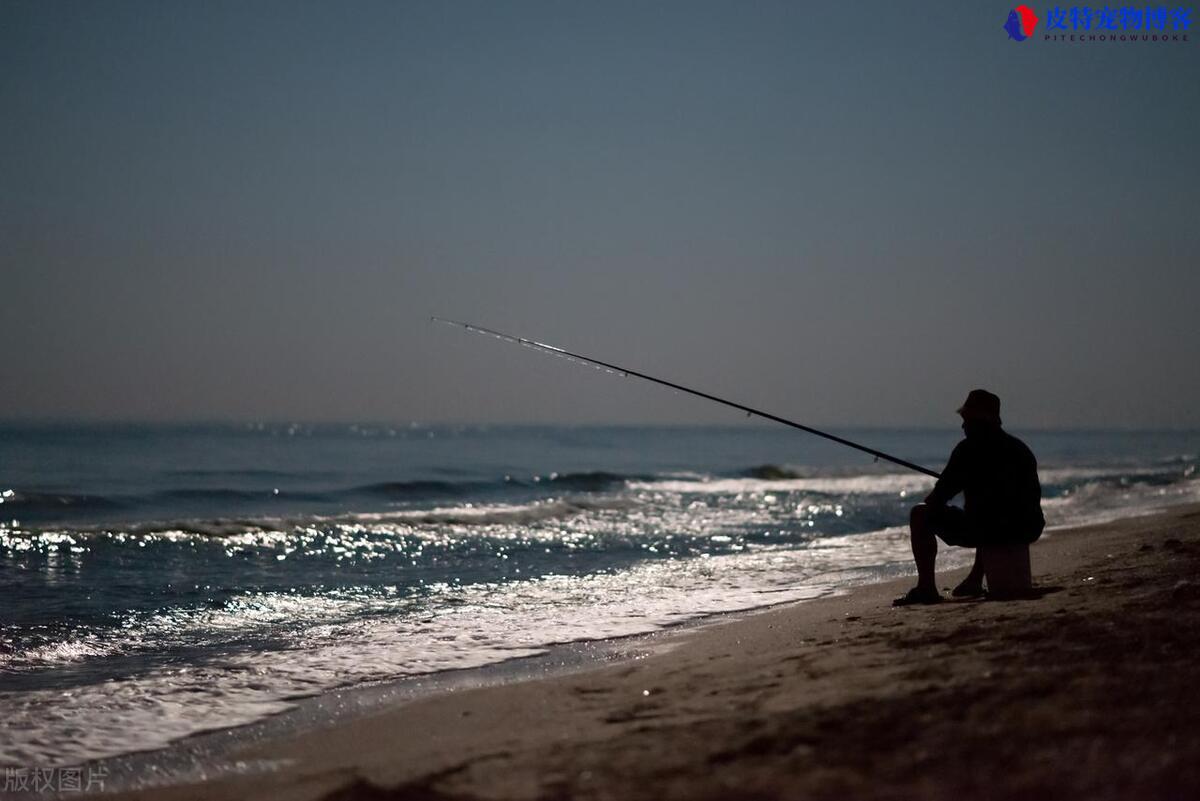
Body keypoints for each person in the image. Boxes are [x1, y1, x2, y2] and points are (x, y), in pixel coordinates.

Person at [894, 389, 1045, 606]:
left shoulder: (967, 450)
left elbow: (937, 500)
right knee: (988, 511)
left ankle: (926, 587)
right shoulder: (1020, 449)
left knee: (920, 514)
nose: (963, 426)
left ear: (980, 420)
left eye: (967, 419)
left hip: (992, 529)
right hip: (1026, 528)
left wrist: (947, 486)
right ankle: (975, 579)